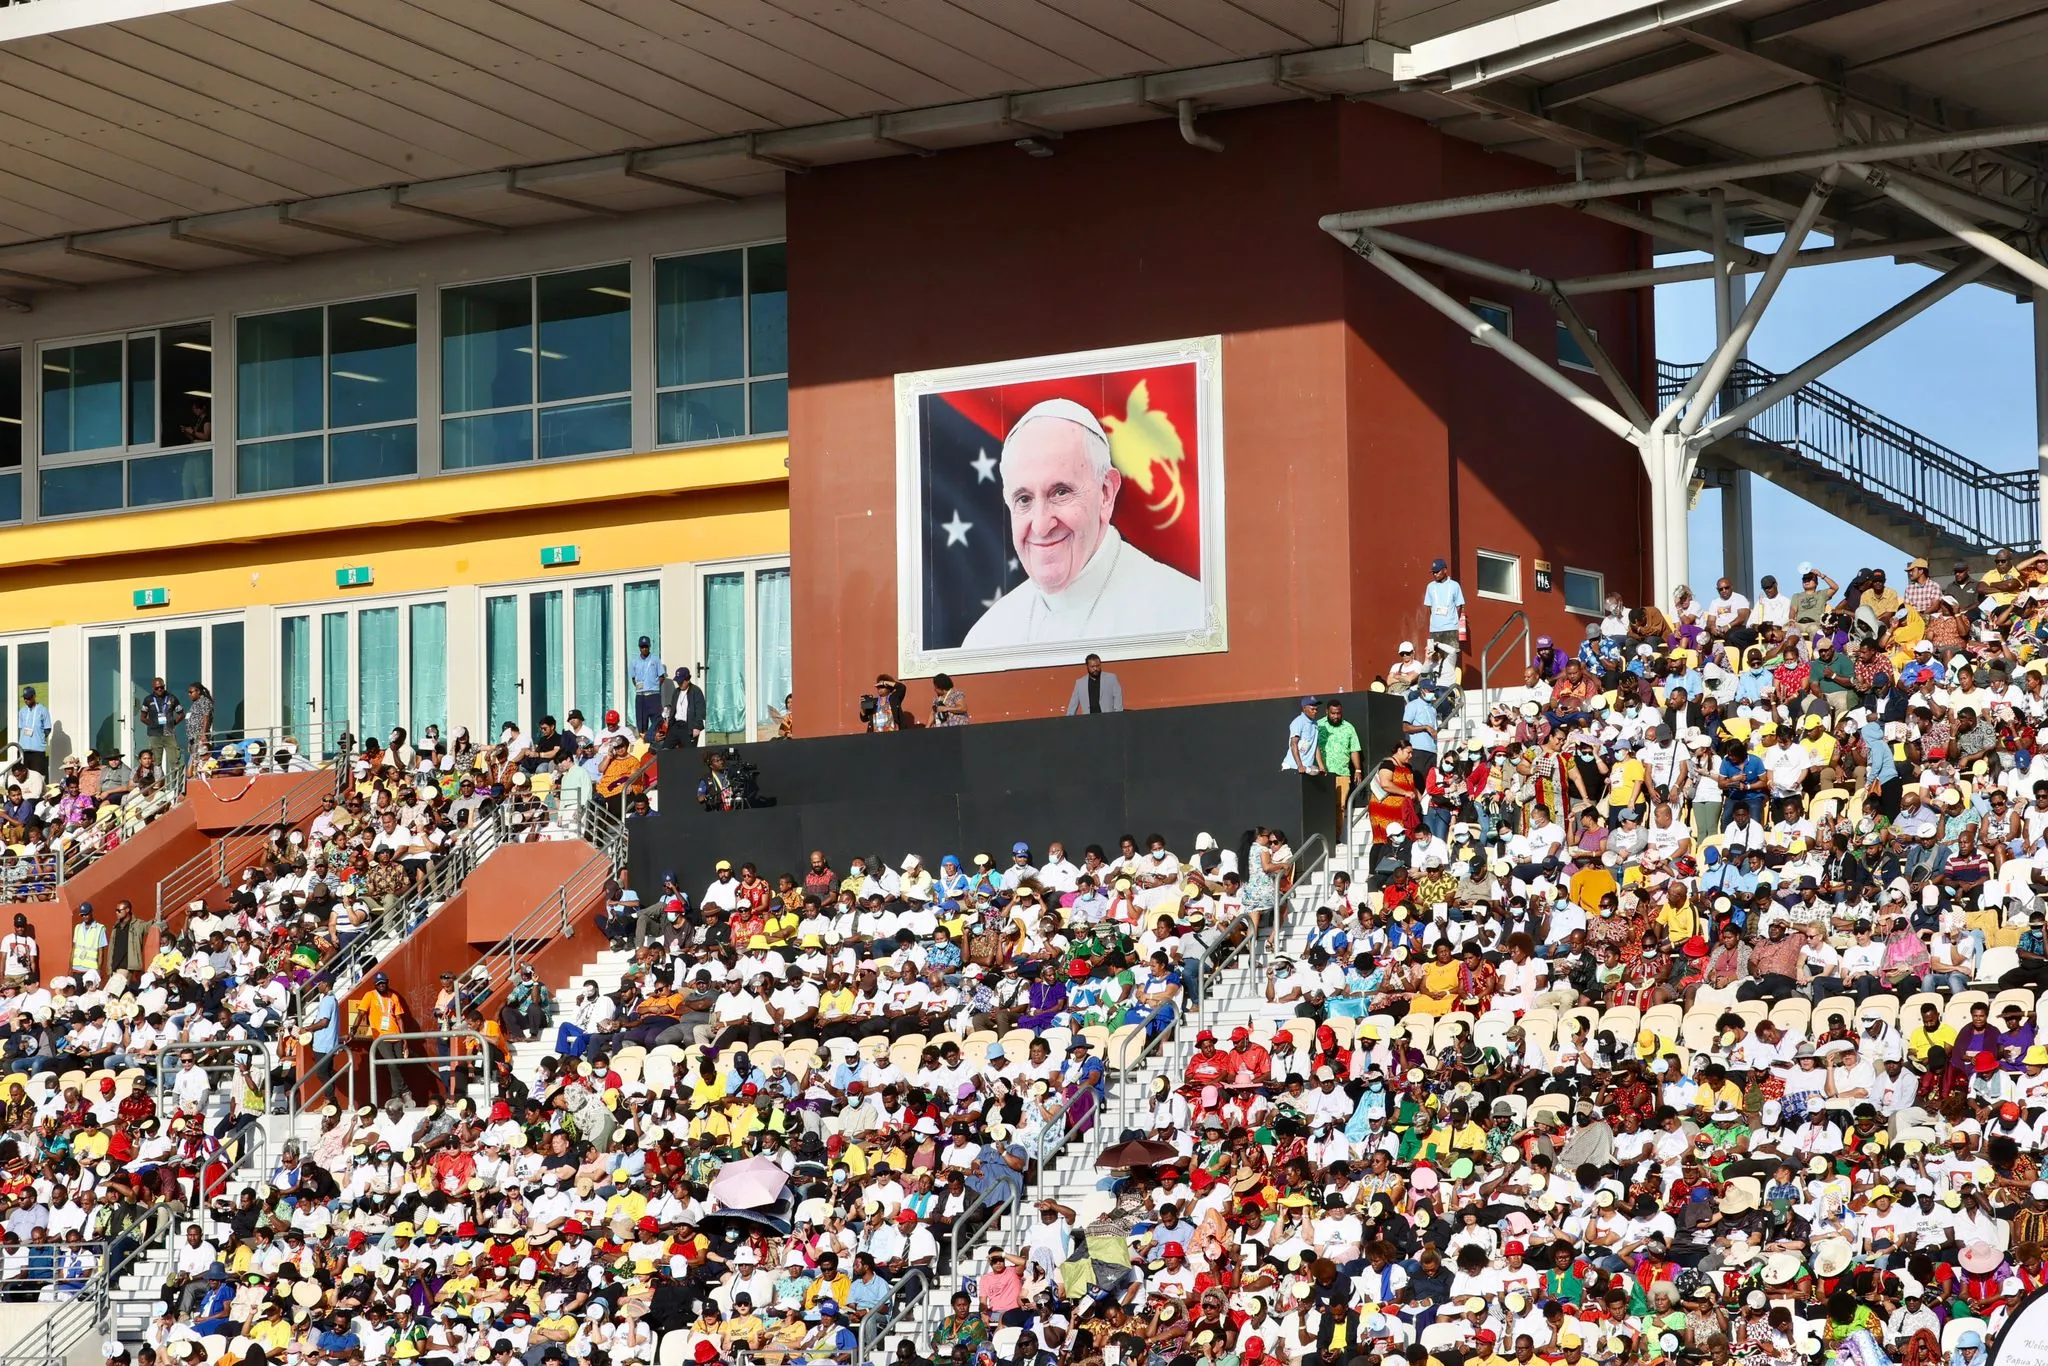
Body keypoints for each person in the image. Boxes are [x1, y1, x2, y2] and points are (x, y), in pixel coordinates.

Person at [961, 399, 1203, 649]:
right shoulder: (986, 639)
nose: (1041, 525)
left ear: (1106, 492)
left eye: (1061, 492)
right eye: (1024, 499)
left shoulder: (1187, 615)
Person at [1423, 556, 1466, 685]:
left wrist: (1454, 622)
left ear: (1445, 570)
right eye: (1433, 572)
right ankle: (1432, 685)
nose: (1435, 574)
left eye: (1437, 571)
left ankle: (1450, 686)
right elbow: (1429, 607)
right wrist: (1435, 621)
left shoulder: (1454, 585)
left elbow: (1460, 606)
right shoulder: (1430, 587)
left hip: (1451, 628)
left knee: (1450, 659)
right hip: (1434, 629)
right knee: (1433, 658)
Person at [138, 678, 184, 772]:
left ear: (164, 686)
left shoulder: (172, 698)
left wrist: (173, 723)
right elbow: (142, 718)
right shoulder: (148, 699)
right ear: (153, 688)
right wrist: (152, 724)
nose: (159, 689)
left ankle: (176, 785)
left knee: (174, 761)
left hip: (169, 733)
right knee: (156, 763)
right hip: (155, 734)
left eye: (161, 687)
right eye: (157, 688)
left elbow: (181, 714)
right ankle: (158, 785)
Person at [629, 635, 666, 739]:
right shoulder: (634, 661)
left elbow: (662, 676)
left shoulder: (655, 660)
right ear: (639, 647)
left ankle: (656, 741)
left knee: (657, 721)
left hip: (653, 695)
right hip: (641, 696)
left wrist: (655, 687)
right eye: (642, 646)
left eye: (646, 646)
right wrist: (640, 688)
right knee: (641, 722)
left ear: (649, 647)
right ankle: (644, 742)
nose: (644, 649)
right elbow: (633, 678)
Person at [665, 667, 706, 750]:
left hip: (688, 727)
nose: (679, 684)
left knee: (689, 753)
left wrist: (697, 727)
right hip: (676, 725)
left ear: (688, 679)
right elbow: (674, 708)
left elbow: (700, 710)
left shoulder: (696, 691)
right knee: (665, 750)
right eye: (678, 682)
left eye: (681, 682)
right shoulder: (676, 692)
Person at [14, 688, 48, 776]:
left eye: (28, 697)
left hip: (37, 750)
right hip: (23, 749)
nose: (26, 700)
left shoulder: (43, 710)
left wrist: (40, 739)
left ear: (34, 696)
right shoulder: (22, 711)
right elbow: (21, 728)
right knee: (23, 776)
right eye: (25, 698)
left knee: (37, 776)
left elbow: (47, 728)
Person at [1284, 696, 1321, 774]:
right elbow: (1293, 744)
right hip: (1293, 768)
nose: (1315, 711)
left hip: (1307, 768)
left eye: (1316, 709)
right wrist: (1300, 766)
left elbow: (1315, 746)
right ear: (1304, 709)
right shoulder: (1298, 722)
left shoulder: (1315, 724)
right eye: (1312, 709)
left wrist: (1321, 766)